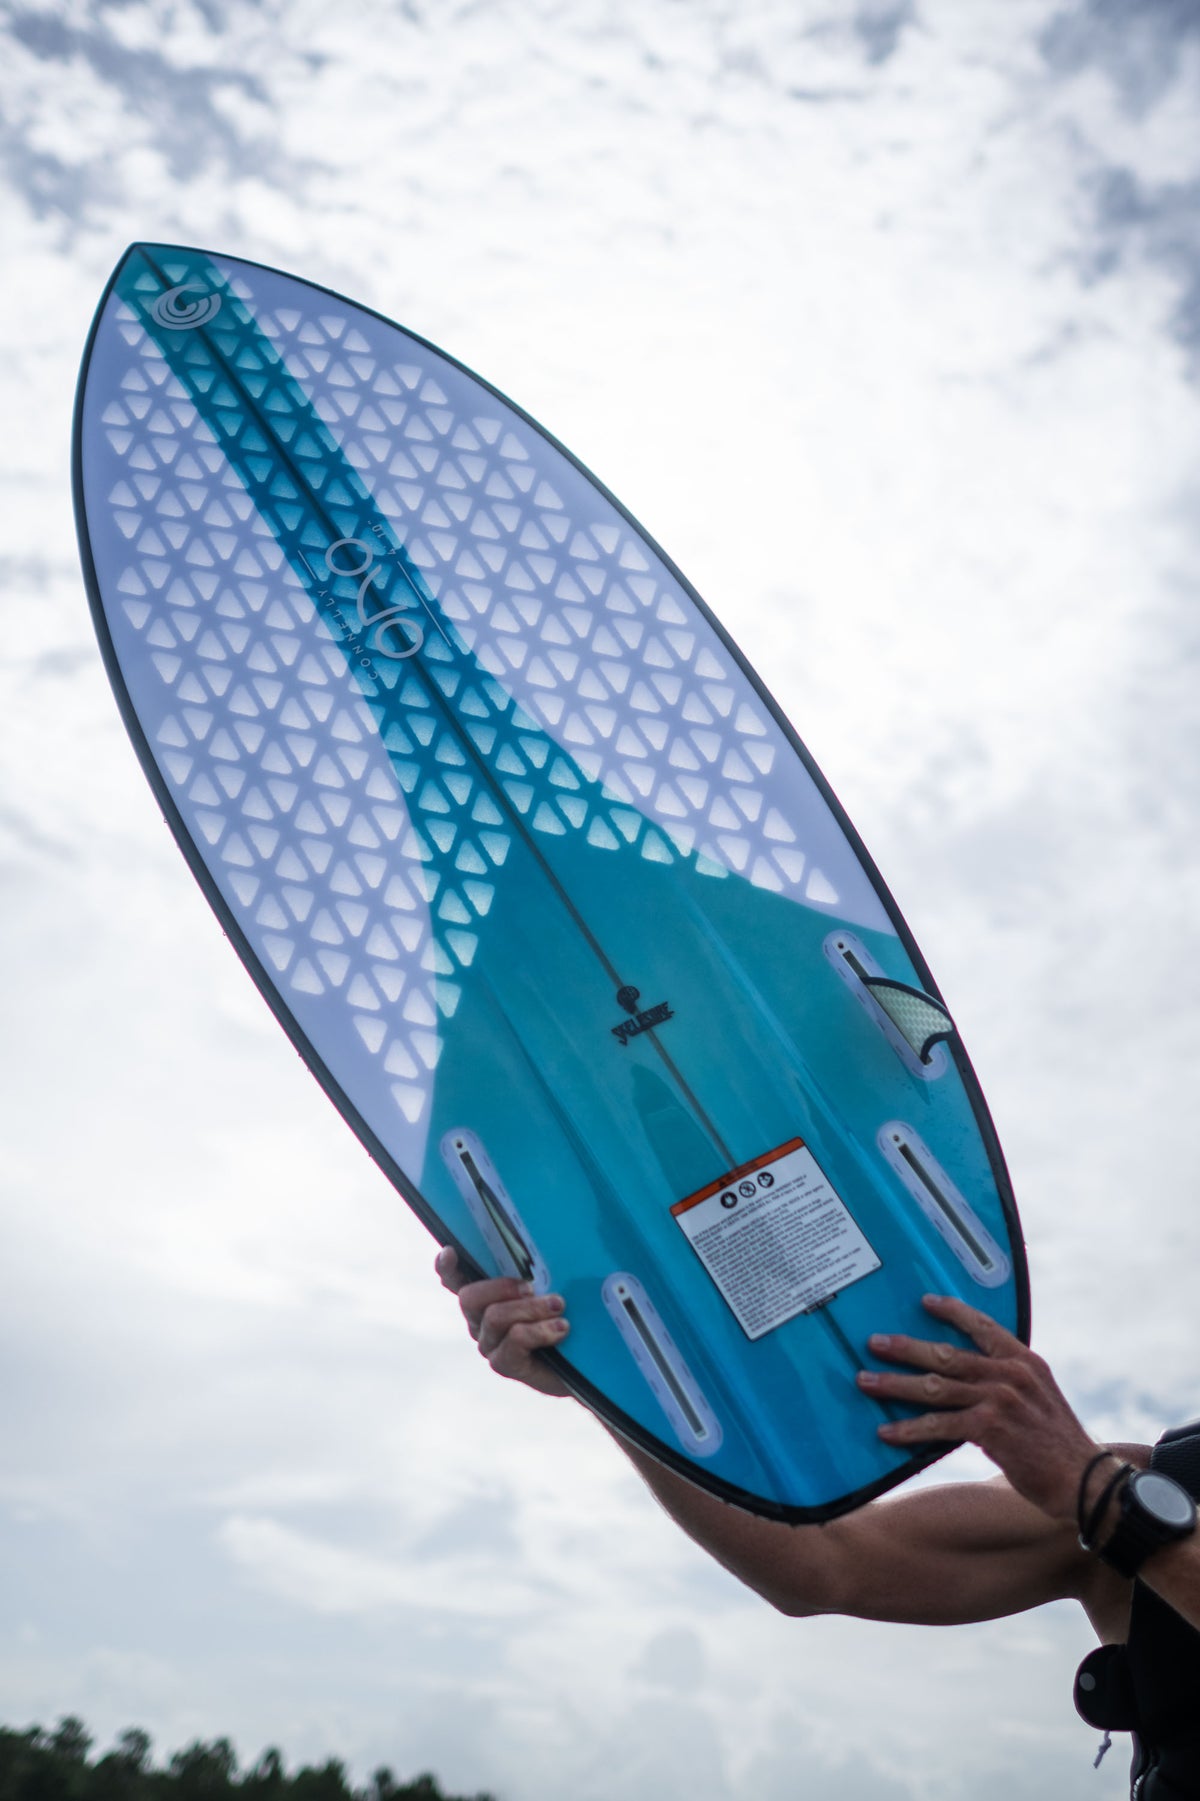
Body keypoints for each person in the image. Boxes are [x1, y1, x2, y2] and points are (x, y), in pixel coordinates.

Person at [435, 1250, 1199, 1798]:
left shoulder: (1119, 1496)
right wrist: (608, 1375)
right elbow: (827, 1562)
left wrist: (1095, 1492)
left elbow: (1095, 1493)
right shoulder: (1160, 1487)